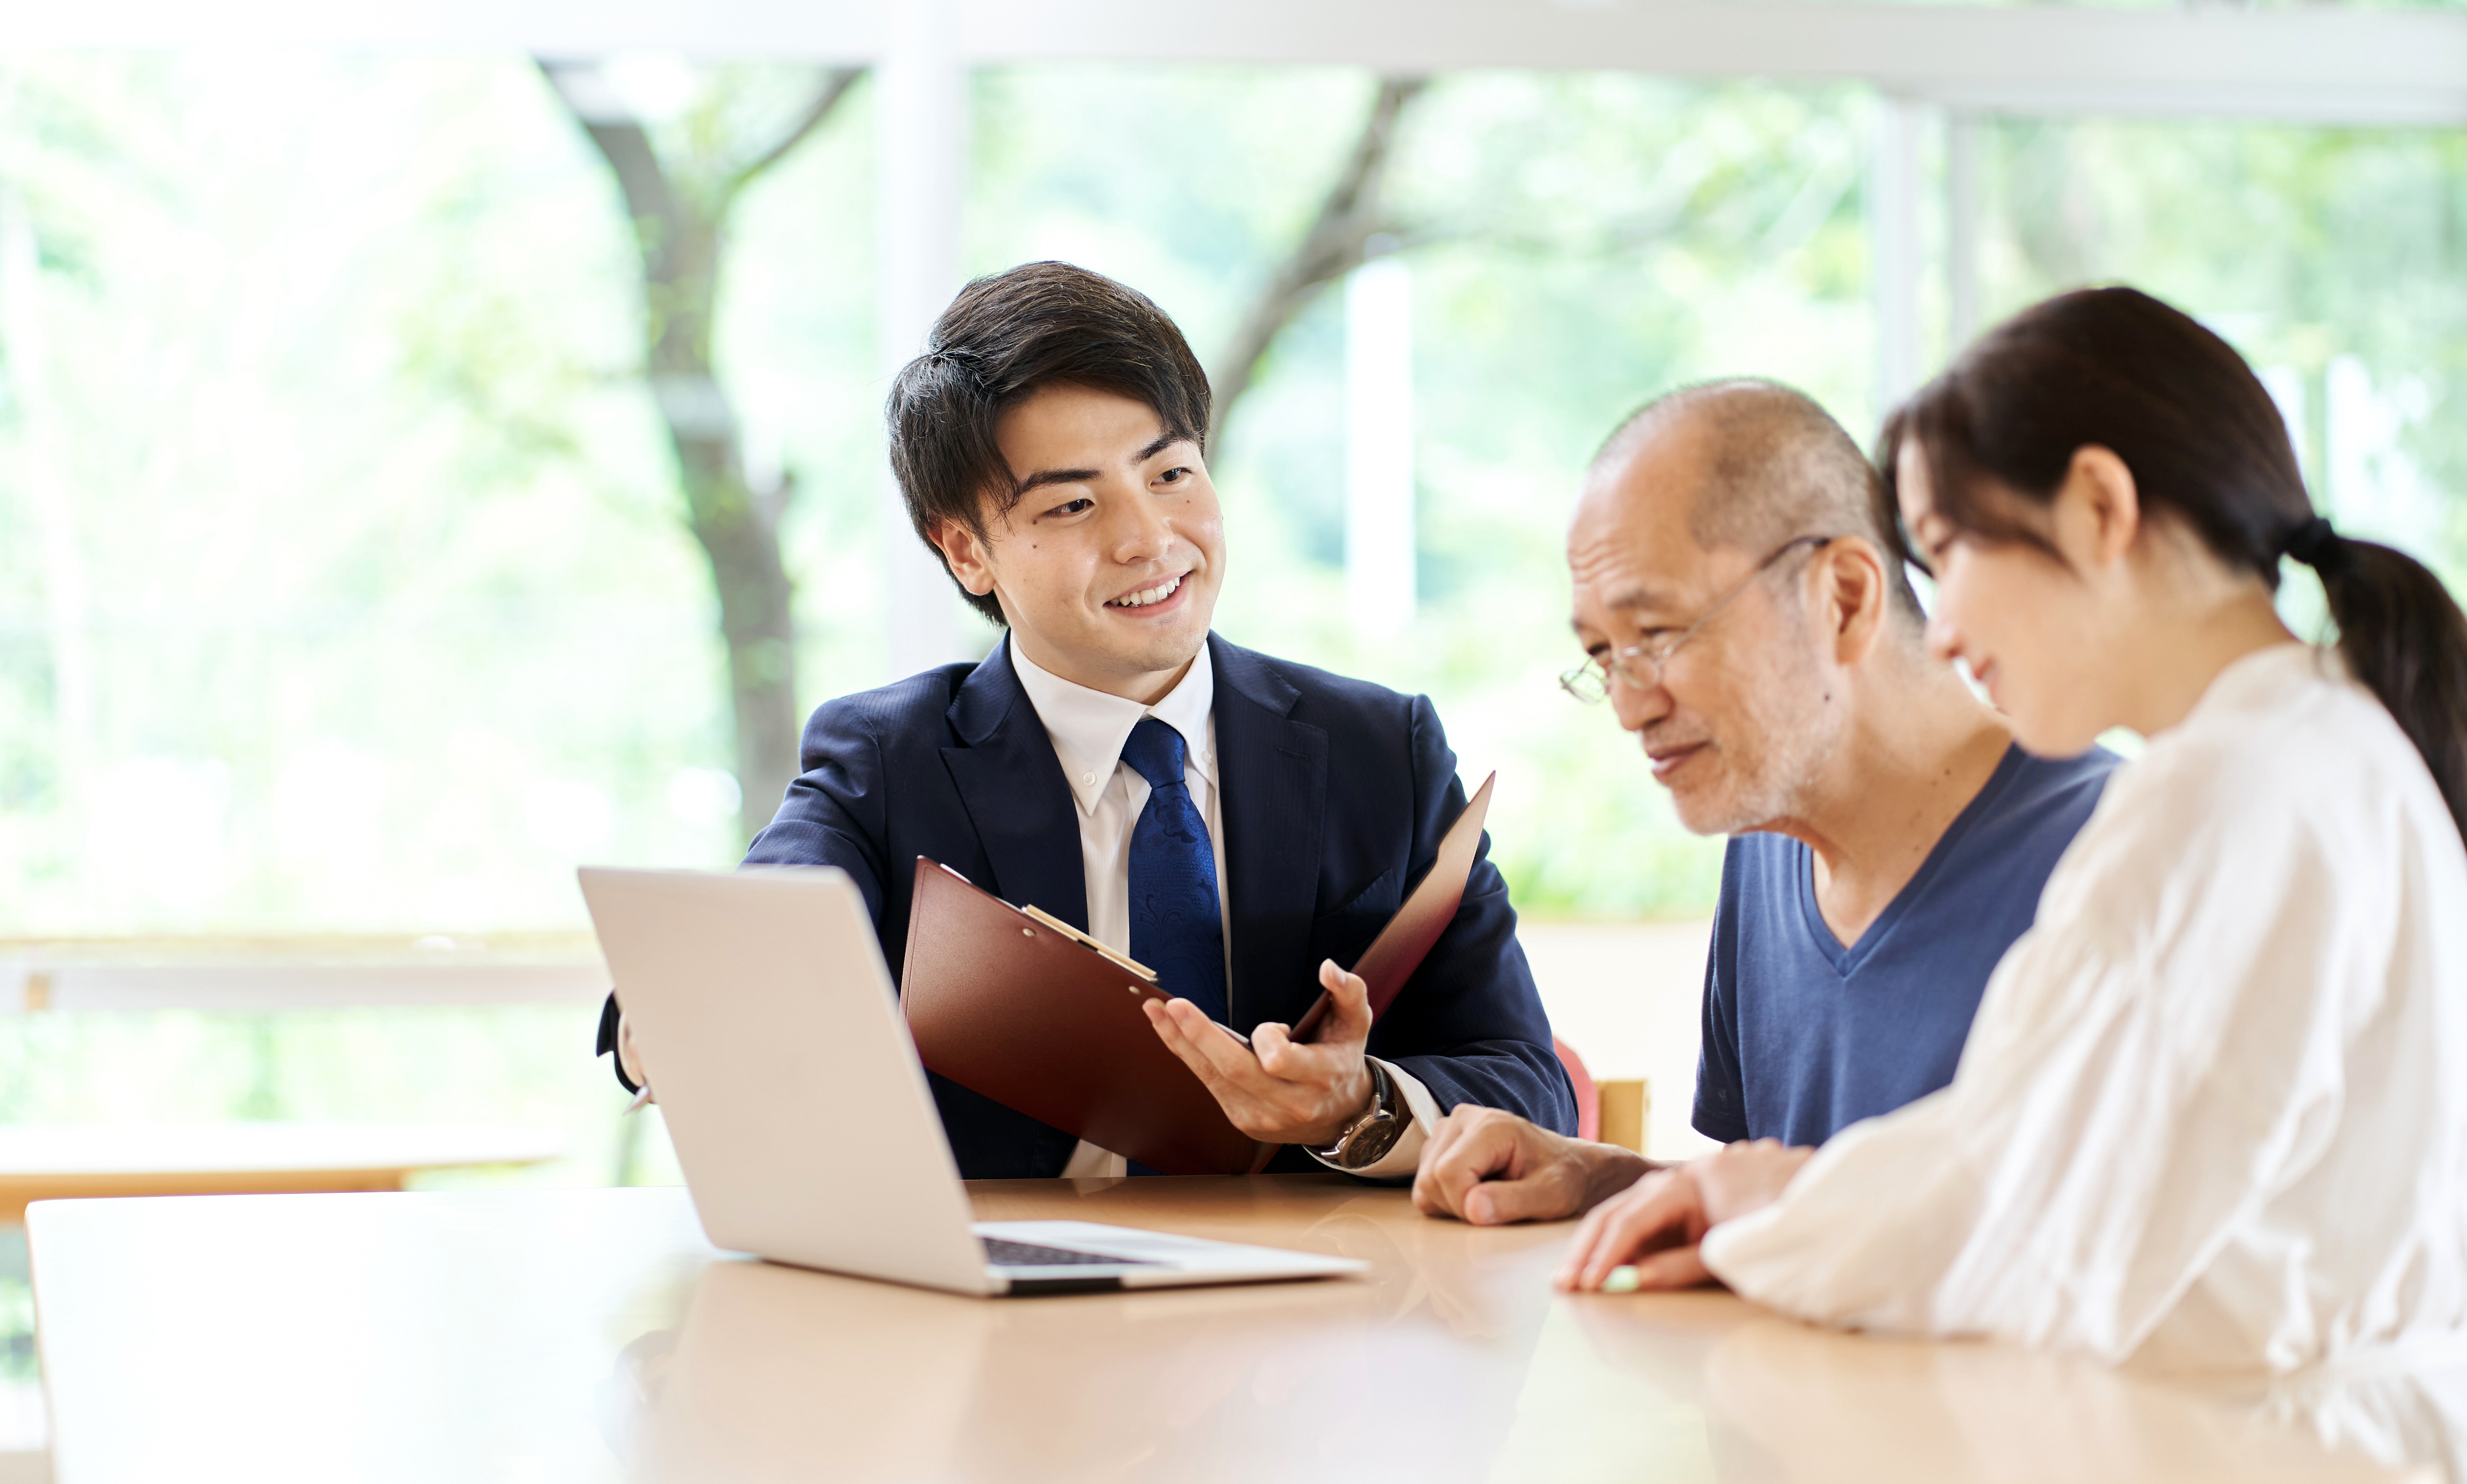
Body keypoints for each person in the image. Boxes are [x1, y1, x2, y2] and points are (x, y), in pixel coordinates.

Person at [1554, 286, 2467, 1376]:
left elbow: (2028, 1221)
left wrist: (1778, 1201)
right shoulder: (2312, 744)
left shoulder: (2224, 790)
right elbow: (2045, 1151)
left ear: (2095, 507)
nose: (1940, 629)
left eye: (1947, 549)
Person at [600, 260, 1574, 1178]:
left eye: (1172, 474)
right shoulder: (888, 761)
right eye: (1072, 505)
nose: (1148, 538)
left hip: (1320, 1302)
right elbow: (768, 929)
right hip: (1004, 1315)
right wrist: (677, 1019)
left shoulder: (1382, 750)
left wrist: (1356, 1107)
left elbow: (1530, 1083)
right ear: (967, 551)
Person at [1413, 381, 2113, 1227]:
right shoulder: (1768, 841)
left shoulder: (2115, 854)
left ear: (1844, 597)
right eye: (1604, 654)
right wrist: (1604, 1178)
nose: (1631, 705)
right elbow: (1802, 1205)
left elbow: (2104, 1251)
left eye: (1659, 634)